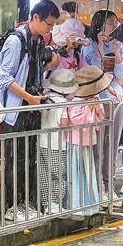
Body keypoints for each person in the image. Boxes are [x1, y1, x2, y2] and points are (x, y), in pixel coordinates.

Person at [0, 0, 61, 221]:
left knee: (30, 156)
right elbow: (4, 78)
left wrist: (48, 66)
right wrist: (28, 97)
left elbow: (32, 71)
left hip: (31, 107)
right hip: (16, 110)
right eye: (48, 24)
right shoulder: (16, 40)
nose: (50, 29)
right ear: (35, 17)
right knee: (14, 159)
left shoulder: (37, 41)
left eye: (53, 26)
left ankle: (25, 203)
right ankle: (11, 206)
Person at [82, 10, 123, 196]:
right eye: (110, 22)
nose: (114, 26)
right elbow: (92, 71)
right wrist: (100, 48)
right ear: (100, 24)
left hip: (115, 100)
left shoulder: (121, 46)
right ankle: (97, 185)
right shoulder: (89, 44)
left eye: (115, 22)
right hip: (96, 100)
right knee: (97, 144)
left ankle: (109, 184)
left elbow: (121, 76)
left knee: (112, 143)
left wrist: (116, 52)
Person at [64, 66, 110, 216]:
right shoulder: (75, 101)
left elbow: (99, 119)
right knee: (77, 174)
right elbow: (80, 121)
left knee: (88, 173)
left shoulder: (94, 100)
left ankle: (89, 204)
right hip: (76, 142)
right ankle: (77, 205)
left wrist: (96, 109)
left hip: (88, 142)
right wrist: (90, 110)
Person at [38, 69, 77, 215]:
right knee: (59, 175)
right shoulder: (62, 103)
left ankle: (46, 203)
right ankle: (54, 203)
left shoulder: (45, 99)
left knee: (45, 174)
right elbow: (64, 123)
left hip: (43, 142)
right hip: (57, 144)